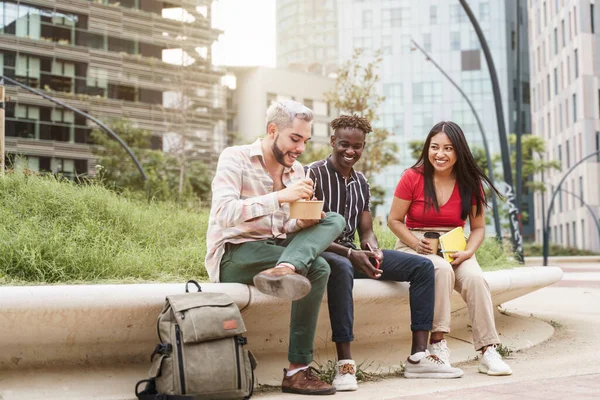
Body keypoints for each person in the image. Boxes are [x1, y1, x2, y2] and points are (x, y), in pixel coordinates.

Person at [307, 115, 464, 391]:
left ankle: (418, 357)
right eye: (344, 144)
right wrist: (349, 254)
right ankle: (345, 365)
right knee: (342, 268)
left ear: (364, 146)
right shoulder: (312, 174)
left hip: (352, 252)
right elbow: (305, 233)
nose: (350, 151)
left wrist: (373, 250)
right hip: (322, 252)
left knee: (423, 267)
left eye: (357, 146)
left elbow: (365, 229)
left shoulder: (361, 181)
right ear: (333, 141)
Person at [205, 100, 346, 396]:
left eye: (305, 141)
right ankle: (298, 368)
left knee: (333, 219)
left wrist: (302, 223)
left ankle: (296, 369)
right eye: (295, 139)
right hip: (235, 253)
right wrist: (280, 197)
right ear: (273, 130)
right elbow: (223, 213)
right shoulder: (235, 157)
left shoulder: (297, 172)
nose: (300, 149)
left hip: (275, 248)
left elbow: (282, 227)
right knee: (318, 266)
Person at [388, 121, 512, 376]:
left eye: (448, 148)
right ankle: (437, 345)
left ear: (459, 152)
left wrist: (468, 252)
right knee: (441, 270)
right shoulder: (412, 177)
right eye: (435, 147)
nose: (440, 154)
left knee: (476, 278)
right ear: (427, 148)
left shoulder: (470, 183)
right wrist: (415, 243)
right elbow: (394, 220)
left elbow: (477, 228)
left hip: (455, 245)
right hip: (415, 243)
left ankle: (488, 350)